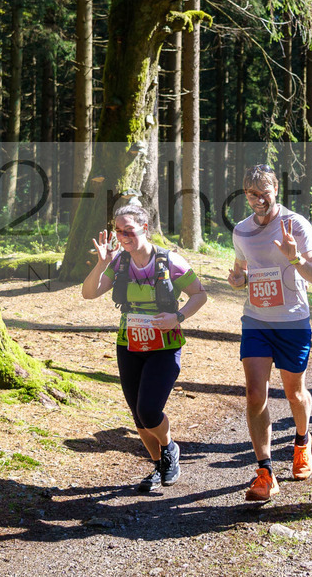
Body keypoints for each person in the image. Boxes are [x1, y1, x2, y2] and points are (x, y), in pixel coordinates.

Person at [82, 204, 208, 493]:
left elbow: (199, 294)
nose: (123, 236)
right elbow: (88, 294)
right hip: (129, 344)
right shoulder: (120, 263)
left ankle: (169, 446)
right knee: (138, 415)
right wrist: (102, 263)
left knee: (149, 410)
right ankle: (159, 465)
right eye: (118, 230)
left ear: (145, 229)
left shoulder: (170, 260)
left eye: (129, 230)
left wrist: (177, 317)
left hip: (164, 345)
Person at [227, 164, 312, 502]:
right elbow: (240, 271)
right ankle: (265, 471)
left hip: (293, 321)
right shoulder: (241, 231)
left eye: (264, 193)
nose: (258, 200)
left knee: (294, 393)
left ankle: (301, 441)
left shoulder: (296, 225)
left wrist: (295, 257)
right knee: (255, 394)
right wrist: (238, 280)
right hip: (256, 320)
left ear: (276, 190)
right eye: (251, 194)